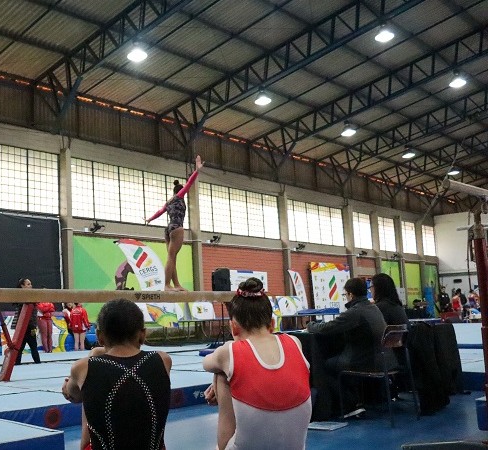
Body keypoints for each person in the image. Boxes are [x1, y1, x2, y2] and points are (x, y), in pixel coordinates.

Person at [202, 278, 311, 449]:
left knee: (220, 374)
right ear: (273, 325)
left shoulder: (229, 350)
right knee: (231, 370)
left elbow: (206, 364)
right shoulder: (294, 342)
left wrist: (220, 380)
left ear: (233, 327)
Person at [61, 298, 172, 450]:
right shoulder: (163, 360)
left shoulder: (82, 367)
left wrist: (67, 387)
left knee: (88, 384)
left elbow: (73, 395)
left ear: (99, 336)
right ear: (143, 334)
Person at [307, 277, 389, 415]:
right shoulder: (374, 308)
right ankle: (354, 401)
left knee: (324, 367)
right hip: (384, 359)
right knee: (340, 363)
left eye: (345, 294)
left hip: (367, 361)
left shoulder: (355, 312)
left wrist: (310, 325)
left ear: (350, 294)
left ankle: (349, 405)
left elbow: (326, 328)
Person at [145, 154, 203, 291]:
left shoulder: (169, 201)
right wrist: (197, 170)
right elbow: (190, 183)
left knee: (172, 256)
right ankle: (166, 285)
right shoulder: (179, 196)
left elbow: (160, 212)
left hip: (168, 228)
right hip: (177, 228)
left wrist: (149, 219)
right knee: (172, 256)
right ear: (180, 191)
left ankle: (176, 284)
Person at [13, 278, 40, 364]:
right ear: (22, 286)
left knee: (32, 346)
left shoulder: (31, 296)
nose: (31, 286)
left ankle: (37, 362)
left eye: (30, 284)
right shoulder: (20, 297)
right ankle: (17, 363)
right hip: (23, 326)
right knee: (20, 347)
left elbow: (33, 314)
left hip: (29, 326)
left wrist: (34, 326)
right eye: (28, 284)